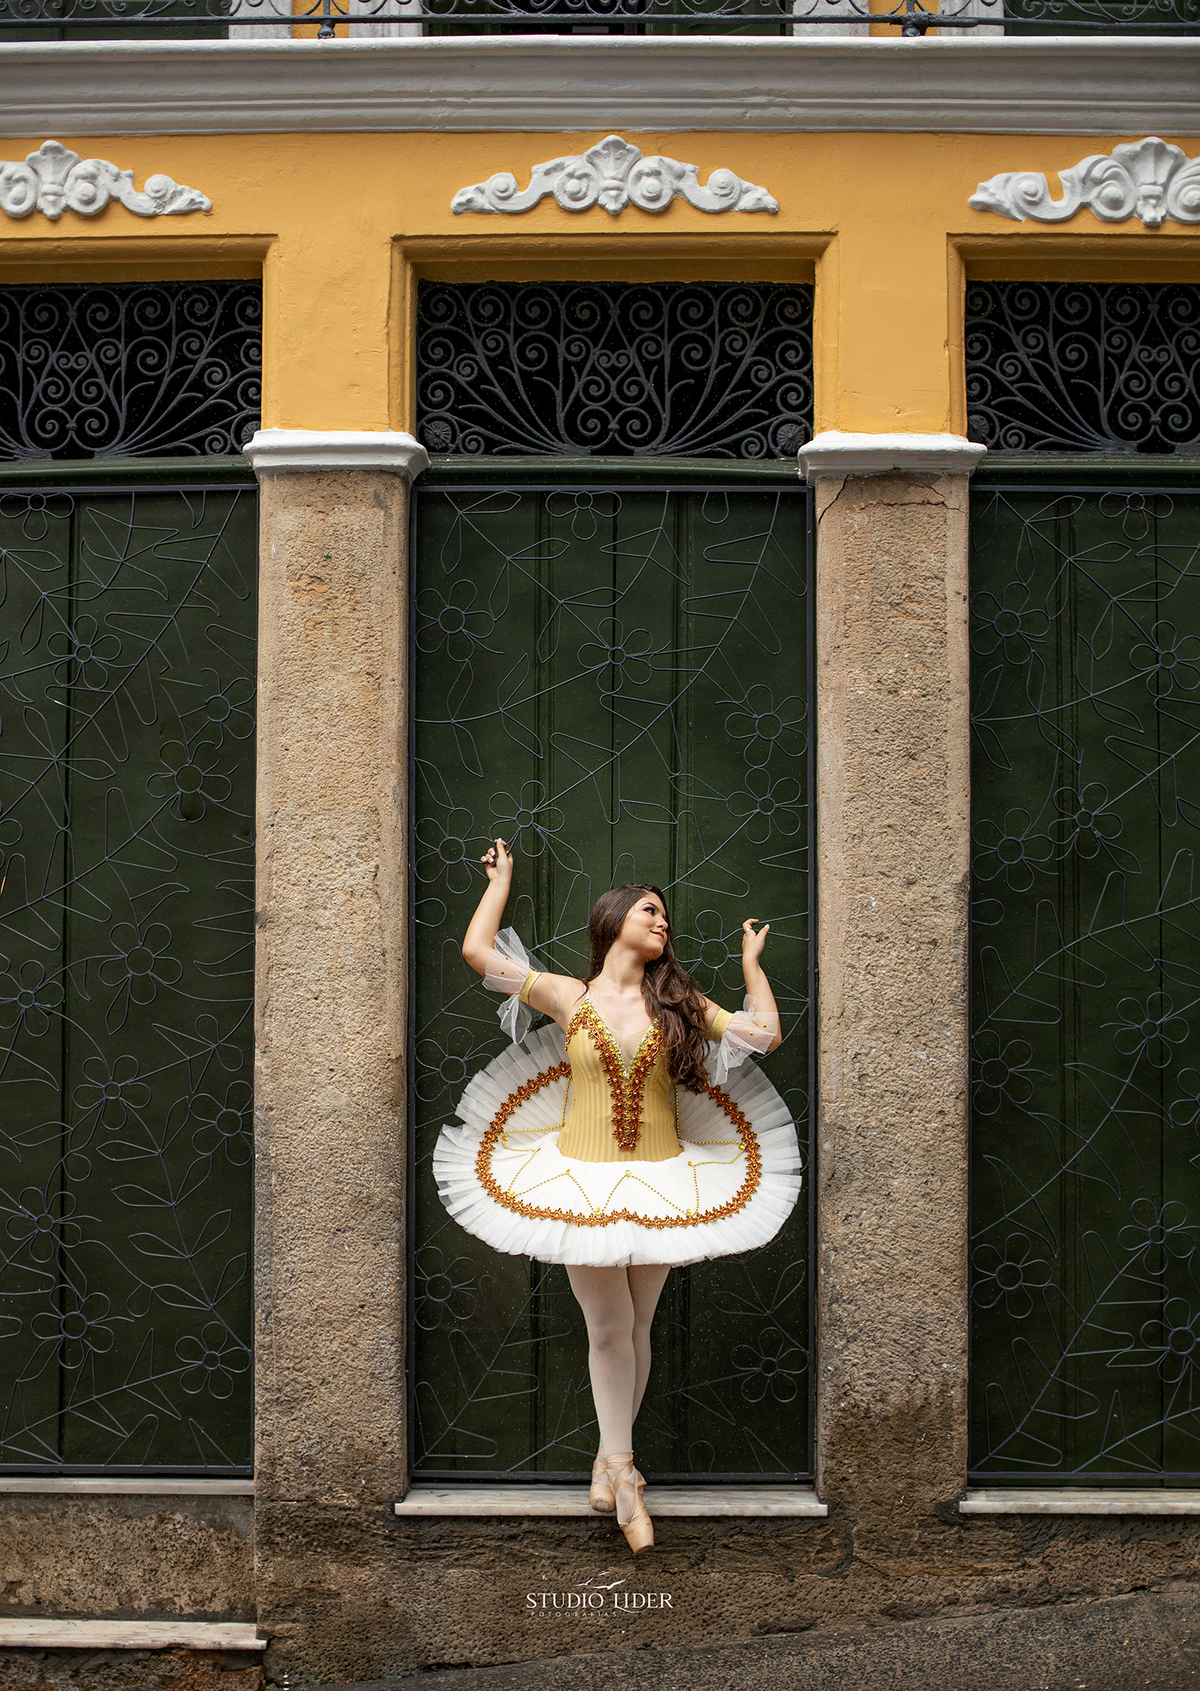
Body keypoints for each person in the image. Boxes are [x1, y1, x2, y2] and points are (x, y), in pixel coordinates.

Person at [433, 839, 802, 1554]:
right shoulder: (567, 995)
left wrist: (753, 969)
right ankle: (626, 1472)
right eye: (649, 911)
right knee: (608, 1326)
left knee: (637, 1327)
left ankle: (608, 1459)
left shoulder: (678, 1001)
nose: (662, 923)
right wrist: (501, 882)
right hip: (581, 1179)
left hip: (666, 1176)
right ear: (613, 921)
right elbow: (480, 953)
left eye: (664, 916)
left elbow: (765, 1034)